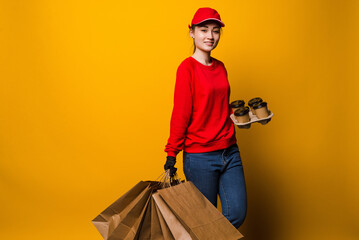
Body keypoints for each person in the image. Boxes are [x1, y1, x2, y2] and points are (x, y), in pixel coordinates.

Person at [163, 7, 247, 229]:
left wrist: (241, 117)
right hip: (200, 157)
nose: (210, 36)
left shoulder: (220, 67)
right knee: (203, 221)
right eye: (203, 30)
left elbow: (219, 106)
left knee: (237, 213)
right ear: (191, 32)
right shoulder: (186, 69)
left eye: (215, 30)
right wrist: (172, 153)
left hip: (230, 150)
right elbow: (181, 113)